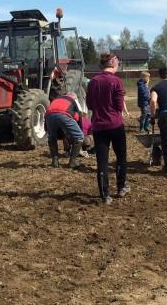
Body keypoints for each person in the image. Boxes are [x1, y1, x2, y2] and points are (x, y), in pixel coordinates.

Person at [86, 53, 129, 204]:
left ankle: (105, 195)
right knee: (121, 157)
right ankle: (121, 187)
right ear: (112, 63)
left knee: (102, 161)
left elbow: (90, 105)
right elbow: (119, 106)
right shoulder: (116, 81)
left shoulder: (93, 82)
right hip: (115, 125)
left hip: (98, 126)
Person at [45, 93, 84, 169]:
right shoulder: (72, 101)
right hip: (63, 115)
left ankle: (54, 161)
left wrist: (48, 131)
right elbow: (78, 118)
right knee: (79, 136)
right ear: (74, 98)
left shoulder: (56, 99)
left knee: (52, 137)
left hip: (49, 116)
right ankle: (73, 161)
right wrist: (80, 132)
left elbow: (48, 113)